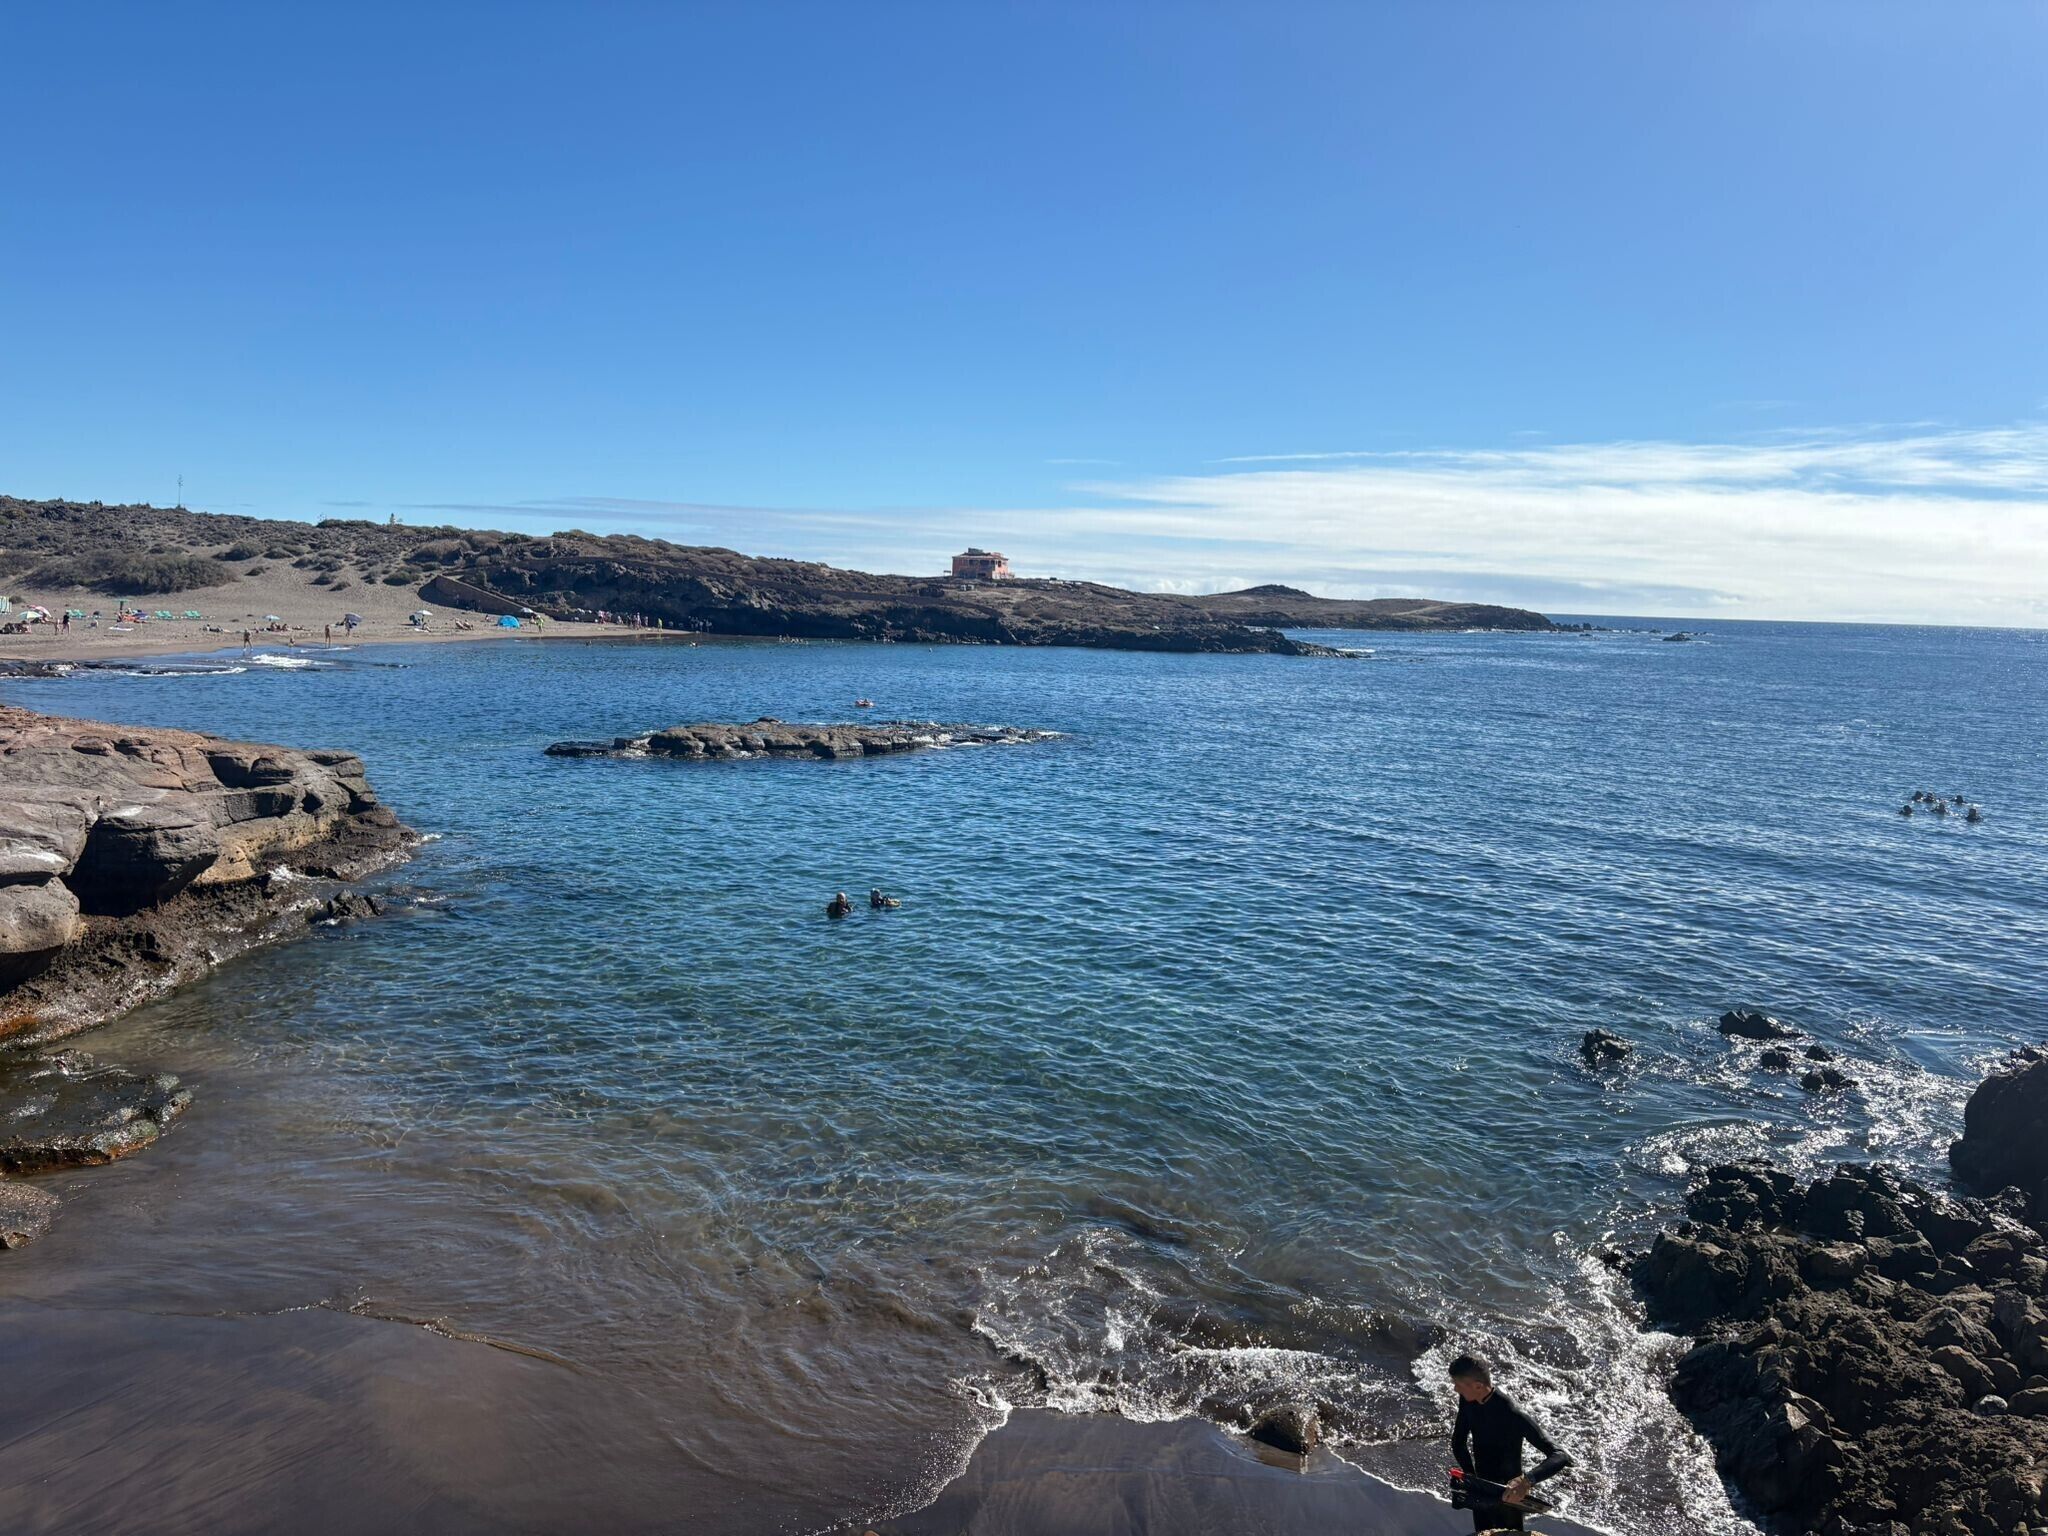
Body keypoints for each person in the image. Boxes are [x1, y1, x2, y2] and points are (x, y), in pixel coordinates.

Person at [1449, 1354, 1570, 1532]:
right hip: (1482, 1492)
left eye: (1458, 1384)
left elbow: (1560, 1455)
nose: (1455, 1389)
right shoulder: (1468, 1401)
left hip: (1509, 1496)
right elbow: (1458, 1442)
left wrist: (1526, 1482)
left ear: (1478, 1386)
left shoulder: (1512, 1413)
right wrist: (1470, 1475)